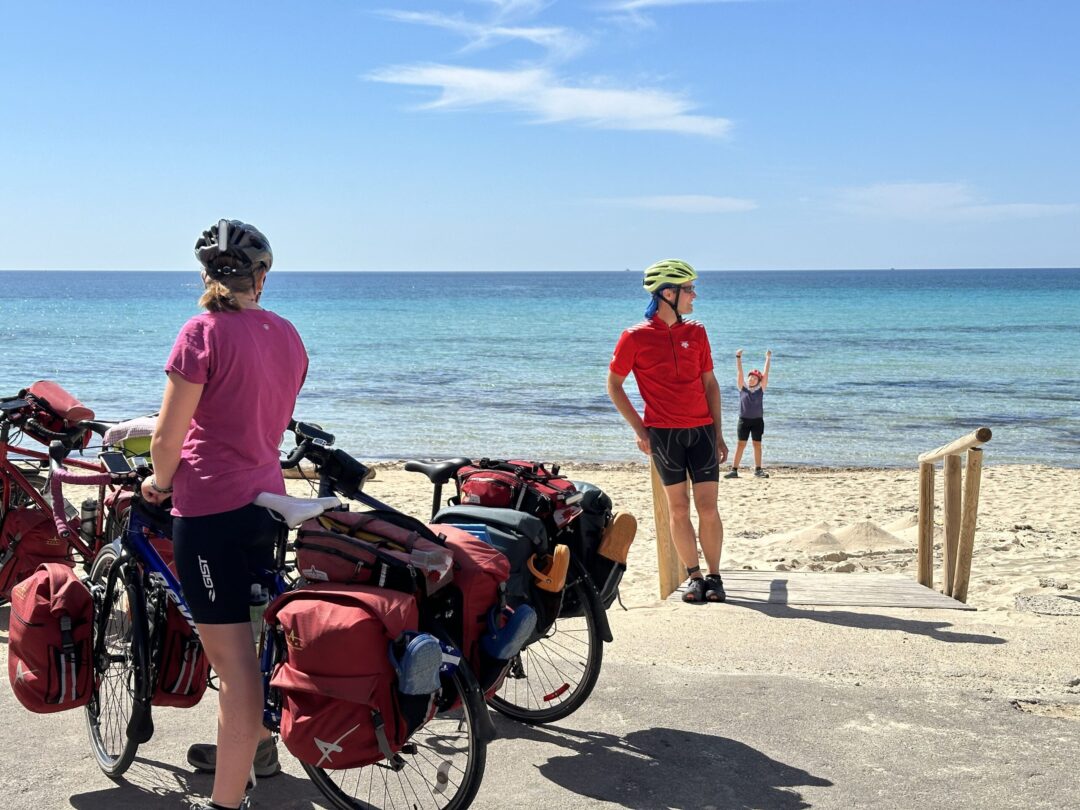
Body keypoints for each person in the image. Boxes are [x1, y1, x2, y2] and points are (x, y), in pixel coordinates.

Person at [141, 220, 308, 810]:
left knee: (238, 673)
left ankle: (225, 803)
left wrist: (159, 485)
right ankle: (253, 748)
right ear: (261, 278)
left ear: (206, 275)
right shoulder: (287, 334)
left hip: (210, 510)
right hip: (266, 504)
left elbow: (167, 439)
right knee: (253, 638)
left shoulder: (201, 332)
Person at [606, 259, 729, 604]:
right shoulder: (634, 337)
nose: (694, 295)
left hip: (702, 431)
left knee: (708, 507)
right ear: (667, 293)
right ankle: (694, 577)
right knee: (678, 509)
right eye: (689, 289)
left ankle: (715, 578)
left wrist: (718, 433)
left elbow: (710, 385)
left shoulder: (697, 332)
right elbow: (614, 384)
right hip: (664, 435)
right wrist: (639, 429)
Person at [724, 349, 772, 479]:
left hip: (757, 421)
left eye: (754, 377)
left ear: (758, 380)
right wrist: (738, 357)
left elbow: (766, 373)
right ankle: (734, 470)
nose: (751, 379)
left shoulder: (761, 389)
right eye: (750, 377)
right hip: (743, 421)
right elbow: (739, 372)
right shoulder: (742, 388)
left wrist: (768, 358)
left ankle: (758, 470)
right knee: (741, 444)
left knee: (757, 445)